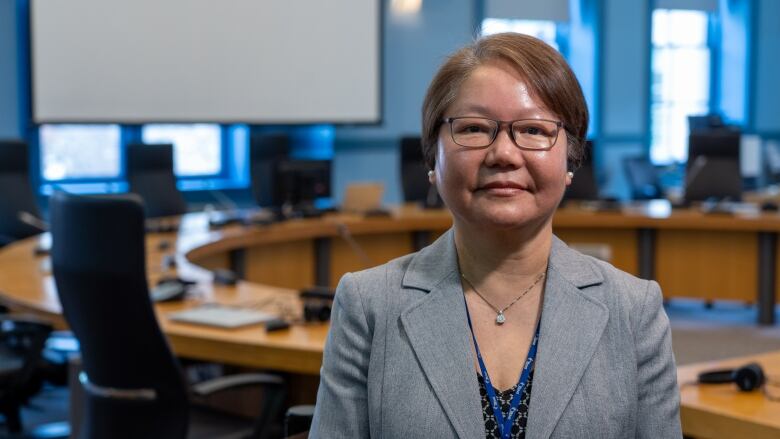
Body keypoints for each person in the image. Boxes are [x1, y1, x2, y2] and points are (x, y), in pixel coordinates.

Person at [310, 33, 681, 438]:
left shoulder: (634, 310)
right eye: (472, 128)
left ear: (571, 160)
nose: (503, 154)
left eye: (535, 130)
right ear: (432, 159)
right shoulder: (368, 305)